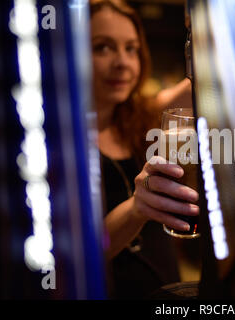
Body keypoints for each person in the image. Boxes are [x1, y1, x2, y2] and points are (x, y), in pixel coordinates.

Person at [89, 0, 199, 299]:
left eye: (131, 48)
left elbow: (195, 85)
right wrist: (137, 208)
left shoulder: (140, 116)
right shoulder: (56, 141)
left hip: (167, 291)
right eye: (103, 47)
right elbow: (72, 257)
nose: (122, 62)